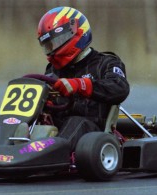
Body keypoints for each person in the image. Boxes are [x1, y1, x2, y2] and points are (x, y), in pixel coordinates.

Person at [37, 6, 130, 150]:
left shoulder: (106, 63)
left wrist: (80, 85)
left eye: (58, 41)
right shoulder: (53, 70)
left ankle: (47, 155)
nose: (53, 48)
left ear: (78, 33)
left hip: (93, 133)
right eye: (49, 45)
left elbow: (119, 88)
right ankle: (3, 149)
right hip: (59, 128)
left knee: (75, 122)